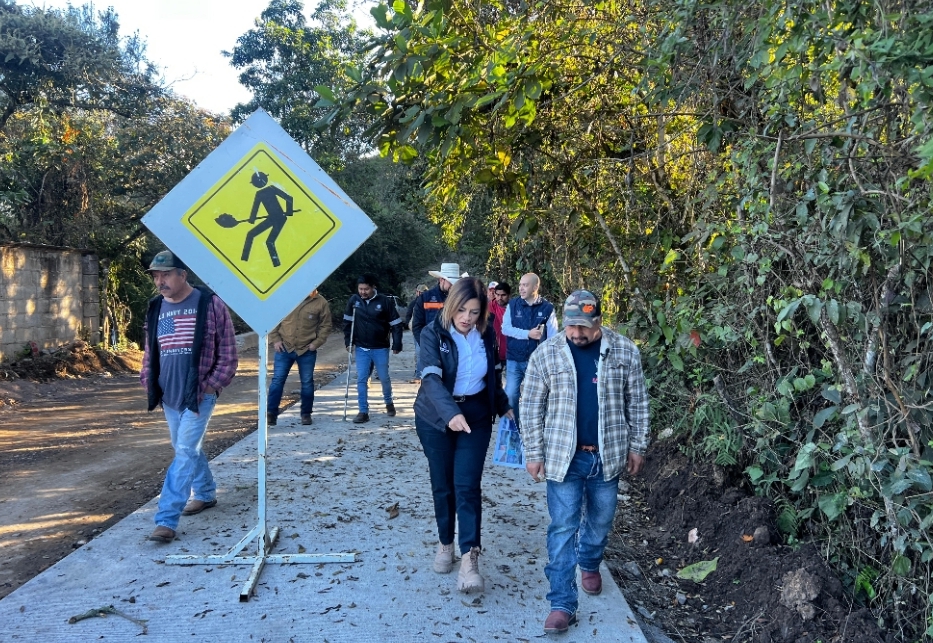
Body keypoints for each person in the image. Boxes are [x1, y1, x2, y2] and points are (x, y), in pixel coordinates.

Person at [520, 290, 649, 634]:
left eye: (584, 327)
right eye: (571, 326)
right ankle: (562, 603)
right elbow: (530, 405)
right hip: (565, 458)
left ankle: (590, 560)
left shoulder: (624, 351)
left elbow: (637, 401)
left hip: (608, 455)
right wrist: (533, 453)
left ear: (599, 322)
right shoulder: (547, 353)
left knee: (602, 517)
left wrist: (638, 446)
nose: (577, 334)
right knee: (563, 527)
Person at [414, 277, 512, 594]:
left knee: (467, 486)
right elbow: (430, 379)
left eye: (474, 311)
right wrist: (450, 414)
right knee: (443, 485)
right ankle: (446, 544)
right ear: (451, 305)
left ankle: (470, 557)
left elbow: (493, 376)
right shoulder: (433, 333)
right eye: (462, 310)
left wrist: (504, 406)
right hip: (435, 417)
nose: (466, 318)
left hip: (476, 417)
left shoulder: (486, 334)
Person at [140, 250, 238, 544]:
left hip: (199, 395)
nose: (160, 281)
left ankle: (166, 520)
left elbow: (229, 353)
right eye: (156, 276)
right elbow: (151, 350)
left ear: (183, 274)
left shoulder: (210, 304)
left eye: (166, 274)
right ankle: (206, 493)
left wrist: (212, 385)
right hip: (168, 395)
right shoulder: (156, 307)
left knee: (184, 450)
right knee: (186, 447)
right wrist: (148, 380)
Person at [266, 289, 333, 426]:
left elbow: (326, 326)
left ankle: (306, 414)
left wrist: (316, 343)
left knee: (307, 382)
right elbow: (273, 318)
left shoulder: (321, 302)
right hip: (285, 347)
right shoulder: (286, 298)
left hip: (306, 349)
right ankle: (271, 413)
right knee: (277, 380)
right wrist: (276, 339)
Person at [343, 275, 403, 423]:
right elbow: (347, 323)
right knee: (362, 379)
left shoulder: (384, 301)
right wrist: (347, 342)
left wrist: (397, 343)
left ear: (373, 287)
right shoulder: (354, 301)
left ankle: (389, 402)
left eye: (366, 289)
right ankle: (363, 411)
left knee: (384, 378)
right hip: (362, 347)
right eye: (360, 289)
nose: (363, 292)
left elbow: (396, 323)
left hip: (380, 347)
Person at [501, 273, 558, 429]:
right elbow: (505, 329)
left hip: (536, 361)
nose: (521, 288)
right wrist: (527, 334)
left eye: (525, 285)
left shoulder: (547, 308)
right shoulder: (513, 305)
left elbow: (553, 336)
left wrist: (549, 357)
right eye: (520, 285)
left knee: (537, 396)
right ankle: (515, 427)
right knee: (511, 394)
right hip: (514, 358)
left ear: (535, 287)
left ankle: (535, 427)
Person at [411, 263, 461, 381]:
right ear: (441, 280)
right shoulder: (425, 298)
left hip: (454, 352)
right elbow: (417, 326)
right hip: (432, 352)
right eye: (451, 282)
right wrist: (426, 345)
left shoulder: (462, 299)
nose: (453, 286)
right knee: (432, 386)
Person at [488, 282, 511, 382]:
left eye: (503, 295)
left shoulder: (515, 309)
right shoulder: (490, 307)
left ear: (509, 295)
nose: (499, 298)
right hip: (495, 353)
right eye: (497, 295)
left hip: (511, 353)